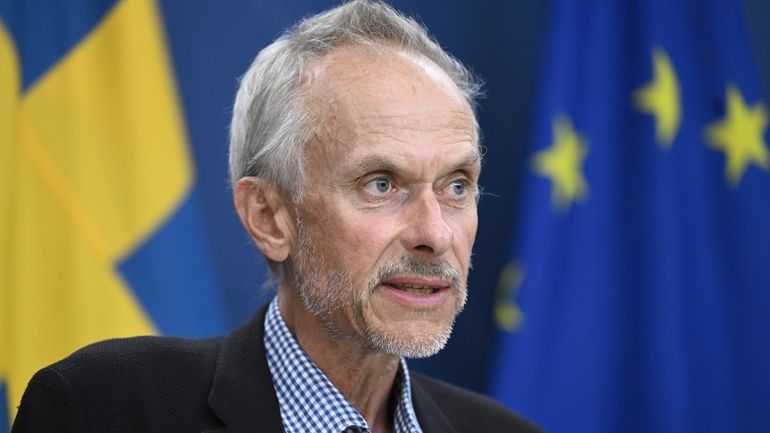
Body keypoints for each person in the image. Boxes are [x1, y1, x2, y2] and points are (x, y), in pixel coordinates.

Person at [12, 1, 542, 432]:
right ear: (268, 218)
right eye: (381, 185)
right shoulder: (104, 409)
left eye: (456, 185)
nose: (434, 232)